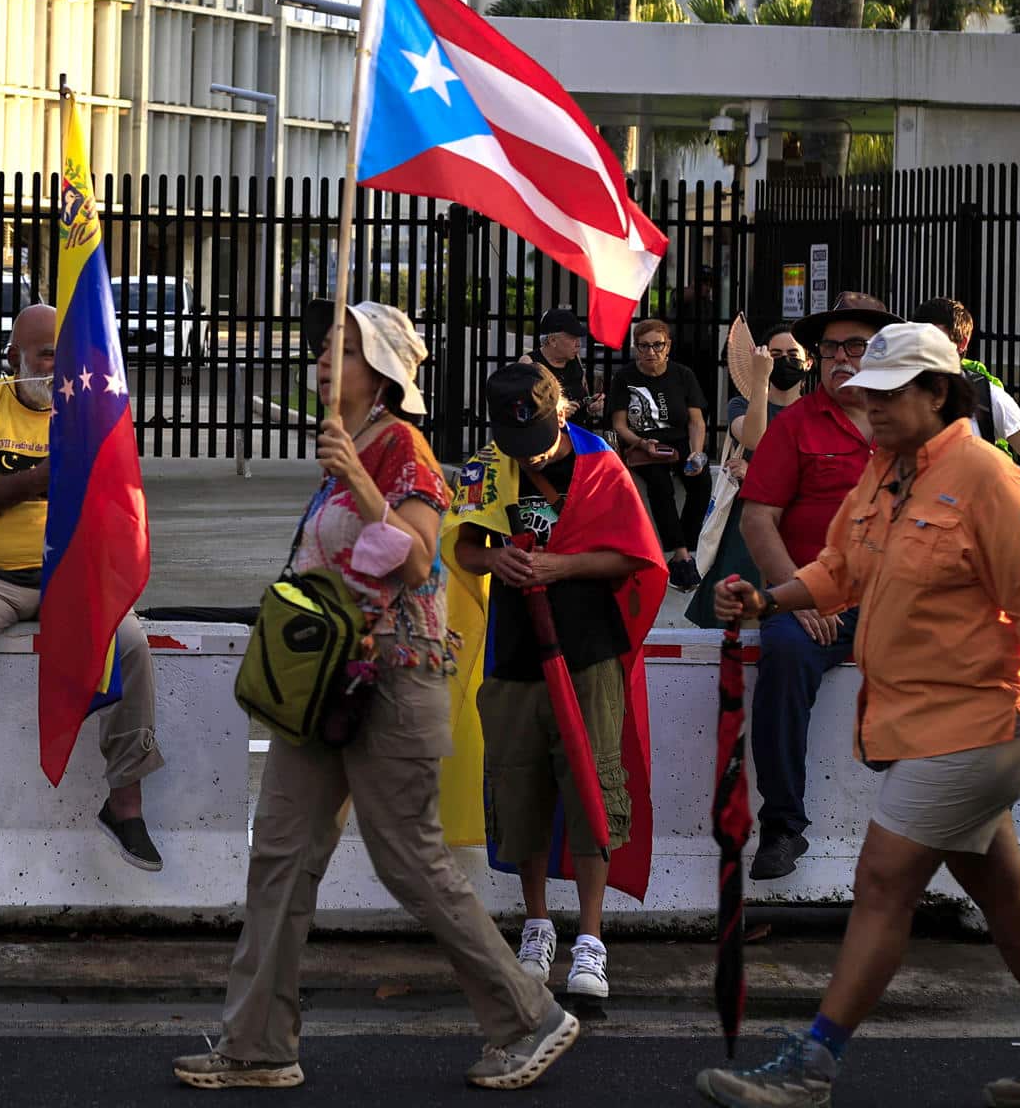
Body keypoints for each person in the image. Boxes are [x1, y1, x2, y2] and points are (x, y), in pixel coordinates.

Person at [175, 301, 579, 1092]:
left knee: (410, 861)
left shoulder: (403, 450)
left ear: (384, 372)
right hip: (329, 687)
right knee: (282, 856)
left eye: (348, 349)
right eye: (325, 346)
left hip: (395, 677)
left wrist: (359, 481)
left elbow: (417, 558)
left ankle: (530, 1018)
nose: (327, 359)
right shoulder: (350, 447)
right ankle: (258, 1045)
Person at [696, 322, 1020, 1108]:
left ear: (938, 394)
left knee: (881, 882)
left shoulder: (991, 480)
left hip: (983, 721)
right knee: (1002, 888)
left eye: (887, 392)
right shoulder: (884, 473)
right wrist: (769, 597)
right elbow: (840, 569)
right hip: (921, 724)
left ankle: (812, 1066)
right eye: (864, 392)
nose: (866, 405)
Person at [0, 302, 166, 868]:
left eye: (63, 355)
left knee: (133, 645)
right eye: (44, 354)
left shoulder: (91, 409)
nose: (54, 366)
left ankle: (125, 802)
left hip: (72, 575)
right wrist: (54, 473)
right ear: (13, 358)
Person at [450, 362, 659, 1002]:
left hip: (588, 652)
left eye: (537, 437)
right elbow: (461, 548)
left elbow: (635, 555)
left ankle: (591, 940)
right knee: (520, 788)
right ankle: (536, 924)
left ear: (561, 412)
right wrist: (497, 559)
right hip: (514, 655)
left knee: (593, 787)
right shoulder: (486, 467)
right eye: (515, 443)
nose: (526, 453)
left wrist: (562, 564)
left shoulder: (601, 466)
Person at [737, 291, 897, 881]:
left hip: (895, 603)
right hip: (808, 597)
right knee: (783, 653)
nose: (841, 359)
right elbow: (758, 518)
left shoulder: (906, 420)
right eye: (829, 349)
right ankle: (783, 826)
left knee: (970, 654)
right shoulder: (795, 425)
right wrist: (796, 596)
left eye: (856, 346)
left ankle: (990, 827)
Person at [684, 321, 812, 630]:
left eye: (793, 354)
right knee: (733, 623)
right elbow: (755, 438)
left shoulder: (814, 413)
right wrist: (760, 382)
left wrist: (754, 474)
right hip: (746, 532)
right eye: (776, 354)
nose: (784, 360)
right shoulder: (742, 404)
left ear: (809, 362)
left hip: (797, 529)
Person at [607, 318, 711, 590]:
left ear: (668, 347)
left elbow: (696, 421)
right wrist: (642, 443)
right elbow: (619, 424)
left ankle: (686, 546)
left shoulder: (683, 375)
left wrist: (696, 453)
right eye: (643, 346)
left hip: (679, 443)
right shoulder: (624, 377)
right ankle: (680, 555)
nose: (650, 352)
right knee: (659, 484)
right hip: (643, 445)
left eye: (657, 345)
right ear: (635, 348)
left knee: (700, 482)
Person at [909, 297, 1020, 465]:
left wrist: (1014, 488)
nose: (923, 347)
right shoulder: (899, 392)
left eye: (934, 337)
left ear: (962, 343)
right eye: (917, 338)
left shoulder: (987, 396)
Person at [519, 306, 603, 427]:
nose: (579, 344)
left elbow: (583, 394)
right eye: (573, 338)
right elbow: (522, 411)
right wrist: (556, 412)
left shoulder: (574, 358)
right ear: (553, 340)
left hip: (576, 434)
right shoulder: (529, 363)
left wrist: (591, 406)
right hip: (548, 438)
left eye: (579, 338)